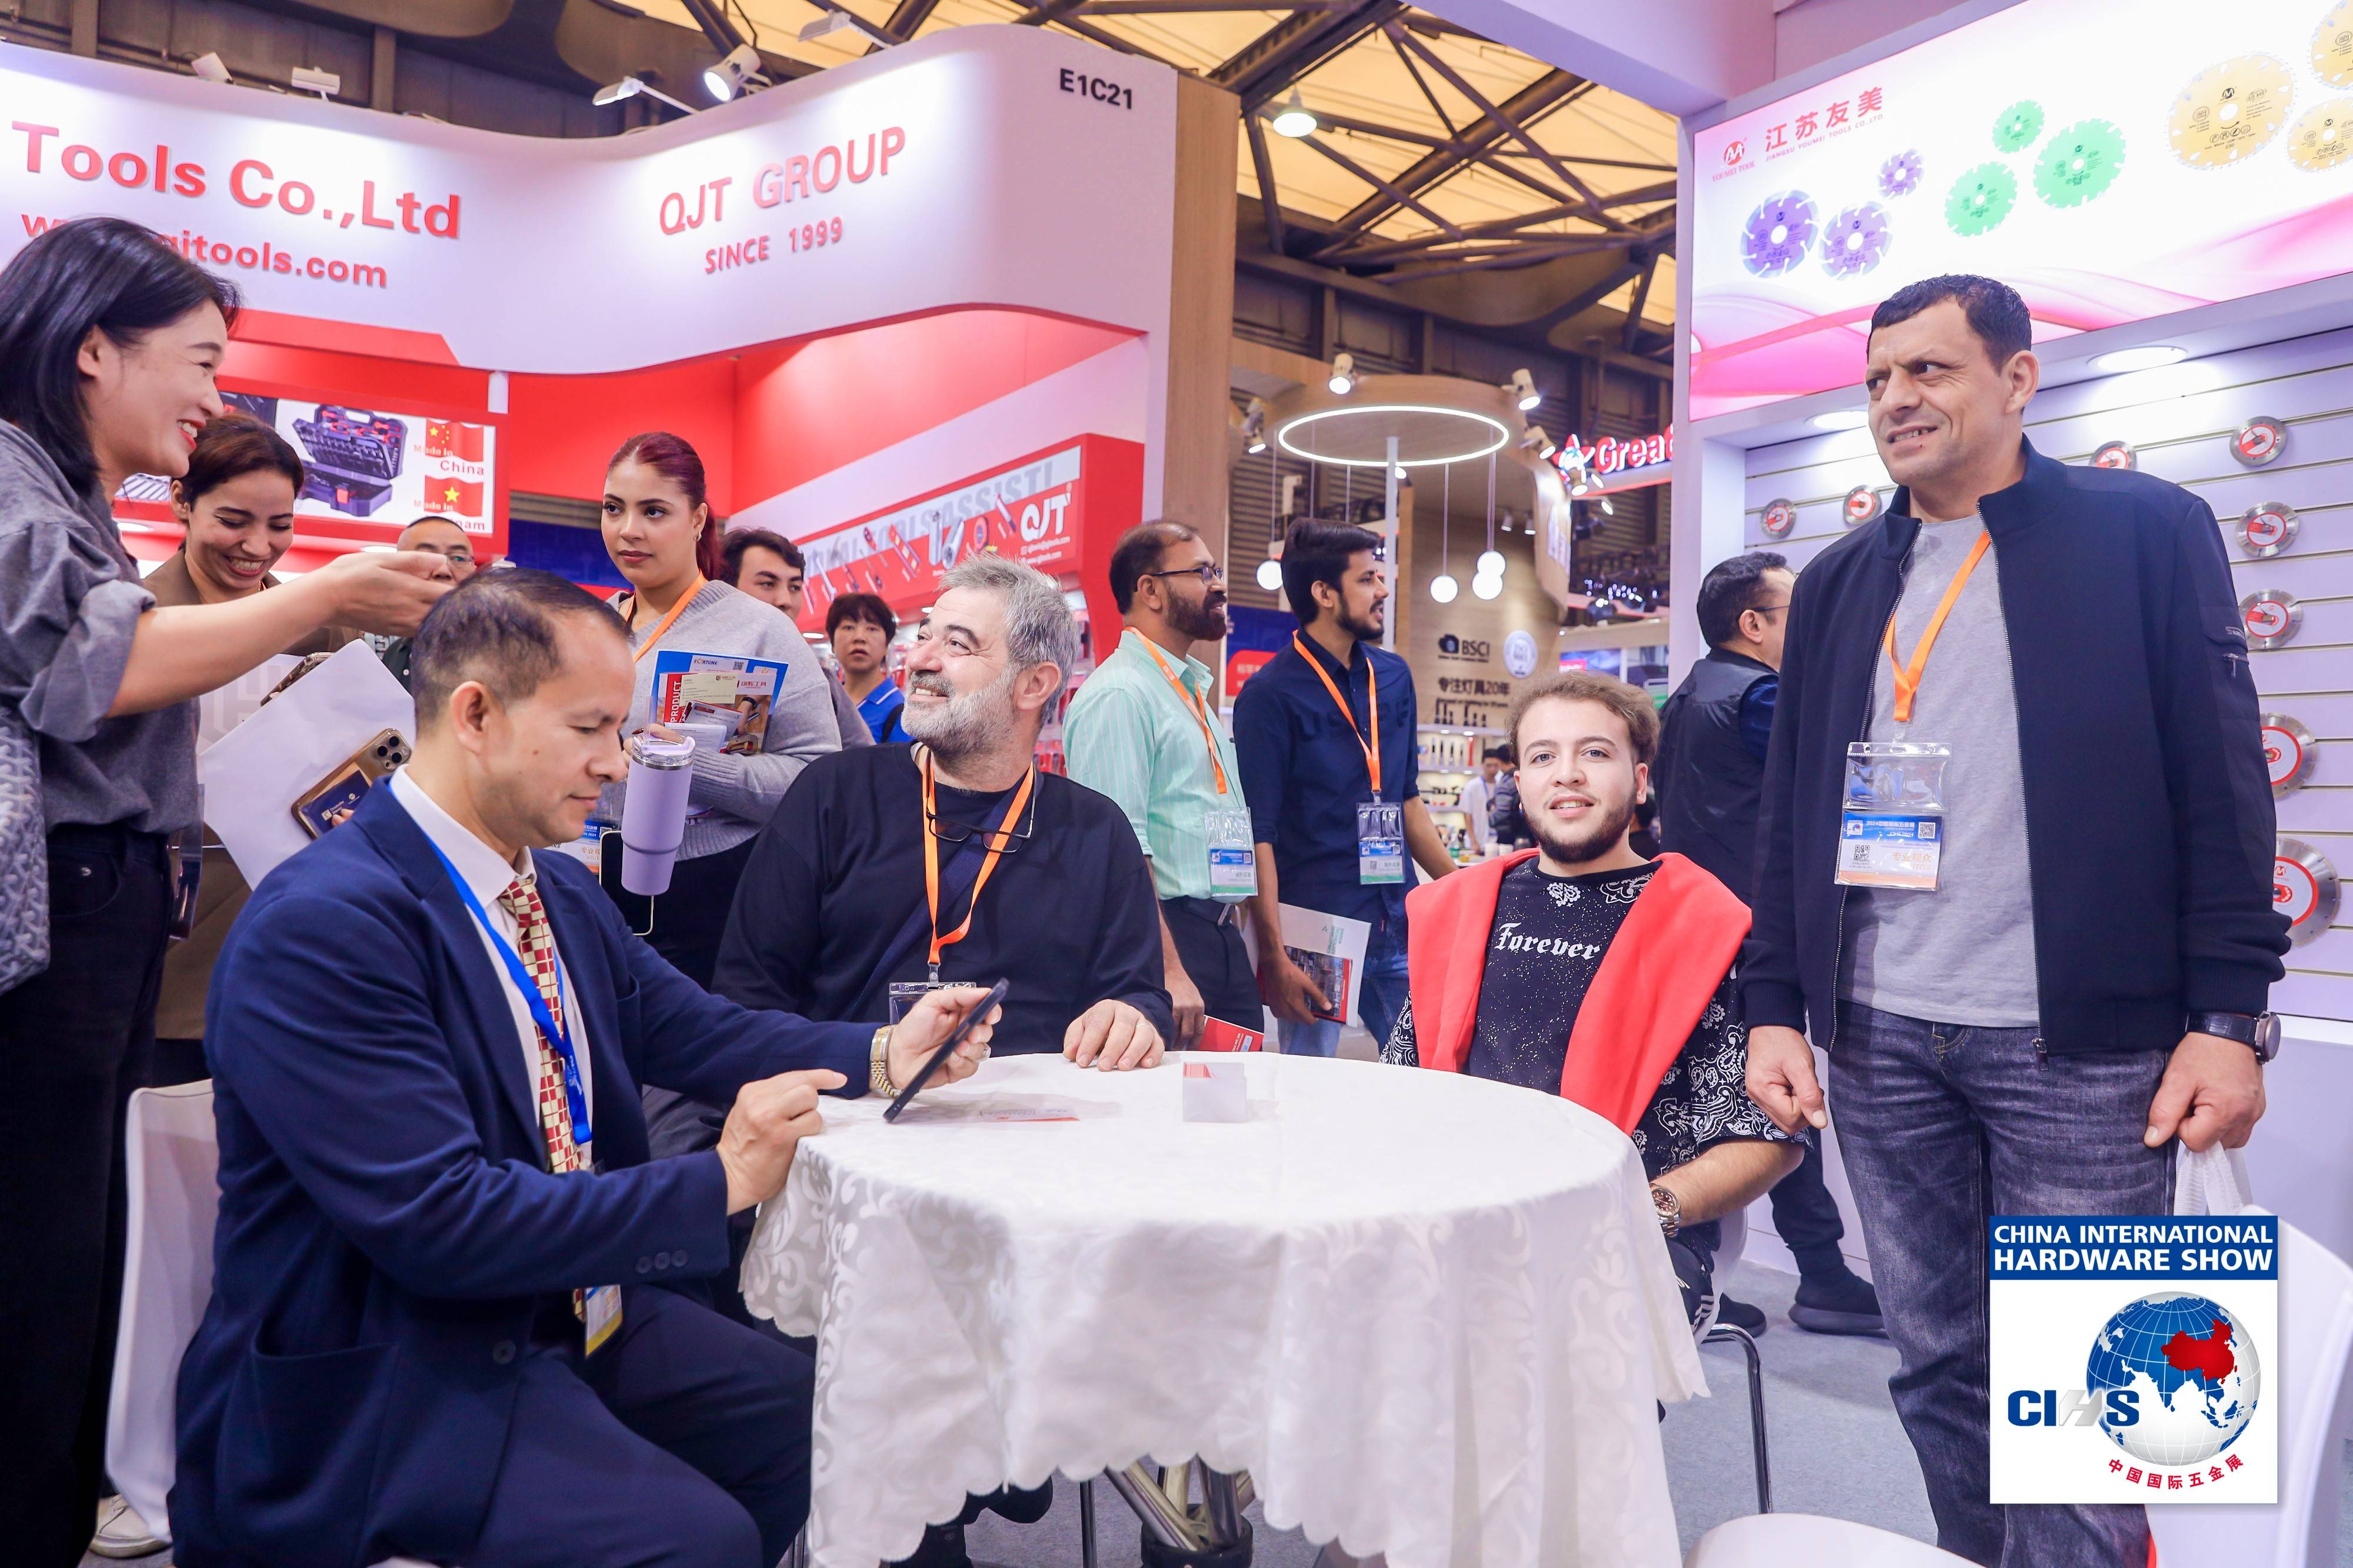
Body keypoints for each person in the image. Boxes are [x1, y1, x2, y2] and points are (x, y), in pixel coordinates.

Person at [172, 569, 1000, 1568]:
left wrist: (879, 1051)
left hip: (559, 1304)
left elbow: (694, 1031)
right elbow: (441, 1222)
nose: (618, 762)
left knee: (811, 1415)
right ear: (475, 715)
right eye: (590, 729)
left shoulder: (555, 891)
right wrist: (723, 1178)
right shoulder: (325, 927)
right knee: (697, 1539)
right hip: (390, 1367)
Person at [1742, 274, 2288, 1568]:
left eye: (1928, 370)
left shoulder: (2143, 529)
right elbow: (1791, 806)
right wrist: (1772, 1004)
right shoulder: (1838, 580)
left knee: (2089, 1388)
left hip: (2084, 1050)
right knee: (1937, 1362)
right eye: (1877, 379)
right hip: (1880, 1039)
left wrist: (2228, 1018)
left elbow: (2222, 781)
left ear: (2018, 380)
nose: (1895, 399)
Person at [0, 216, 448, 1568]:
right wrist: (325, 600)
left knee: (77, 1268)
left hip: (114, 920)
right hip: (67, 922)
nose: (210, 397)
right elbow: (95, 669)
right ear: (94, 349)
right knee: (38, 1275)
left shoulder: (66, 497)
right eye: (198, 361)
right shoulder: (14, 481)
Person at [1384, 671, 1799, 1323]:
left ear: (1640, 780)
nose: (1567, 773)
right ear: (1520, 783)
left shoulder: (1706, 926)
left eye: (1595, 752)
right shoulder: (1460, 910)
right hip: (1458, 1204)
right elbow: (1399, 1088)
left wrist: (1647, 1207)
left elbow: (1766, 1135)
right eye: (1542, 756)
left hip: (1629, 1225)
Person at [1657, 552, 1882, 1340]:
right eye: (1795, 610)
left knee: (1717, 1101)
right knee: (1776, 1096)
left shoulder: (1688, 693)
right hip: (1755, 932)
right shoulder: (1761, 697)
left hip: (1697, 926)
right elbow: (1831, 790)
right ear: (1753, 624)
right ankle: (1819, 1272)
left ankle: (1712, 1271)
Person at [148, 415, 369, 1089]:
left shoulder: (321, 628)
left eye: (280, 525)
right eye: (233, 520)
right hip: (166, 939)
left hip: (294, 941)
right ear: (182, 501)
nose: (257, 546)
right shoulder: (138, 620)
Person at [594, 432, 839, 988]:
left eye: (654, 511)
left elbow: (817, 779)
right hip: (592, 881)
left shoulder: (760, 630)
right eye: (613, 508)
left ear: (699, 519)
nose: (628, 529)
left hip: (714, 895)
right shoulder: (590, 628)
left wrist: (685, 764)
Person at [1233, 519, 1453, 1056]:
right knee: (1308, 1083)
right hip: (1316, 932)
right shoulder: (1269, 695)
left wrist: (1464, 892)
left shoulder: (1394, 677)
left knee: (1429, 1071)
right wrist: (1272, 954)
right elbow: (1260, 835)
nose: (1382, 591)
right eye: (1367, 579)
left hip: (1397, 918)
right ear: (1324, 593)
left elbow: (1406, 799)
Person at [1065, 521, 1260, 1046]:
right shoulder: (1121, 694)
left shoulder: (1188, 689)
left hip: (1220, 935)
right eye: (1202, 573)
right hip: (1171, 943)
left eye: (1216, 571)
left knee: (1243, 1090)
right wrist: (1168, 969)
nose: (1219, 584)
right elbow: (1121, 852)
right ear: (1150, 590)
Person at [722, 525, 870, 752]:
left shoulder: (818, 678)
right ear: (727, 589)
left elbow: (862, 756)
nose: (785, 600)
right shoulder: (698, 665)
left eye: (794, 587)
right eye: (767, 584)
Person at [378, 516, 479, 689]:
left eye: (458, 559)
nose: (443, 570)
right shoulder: (395, 653)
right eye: (424, 557)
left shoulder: (502, 653)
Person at [829, 589, 905, 743]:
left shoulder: (901, 712)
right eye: (849, 627)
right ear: (833, 643)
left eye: (872, 629)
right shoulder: (826, 700)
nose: (859, 637)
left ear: (886, 645)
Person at [1457, 746, 1507, 856]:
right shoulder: (1472, 786)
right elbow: (1467, 815)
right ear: (1482, 765)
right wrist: (1473, 841)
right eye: (1489, 765)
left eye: (1496, 765)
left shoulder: (1501, 785)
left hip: (1497, 842)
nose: (1492, 769)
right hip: (1477, 842)